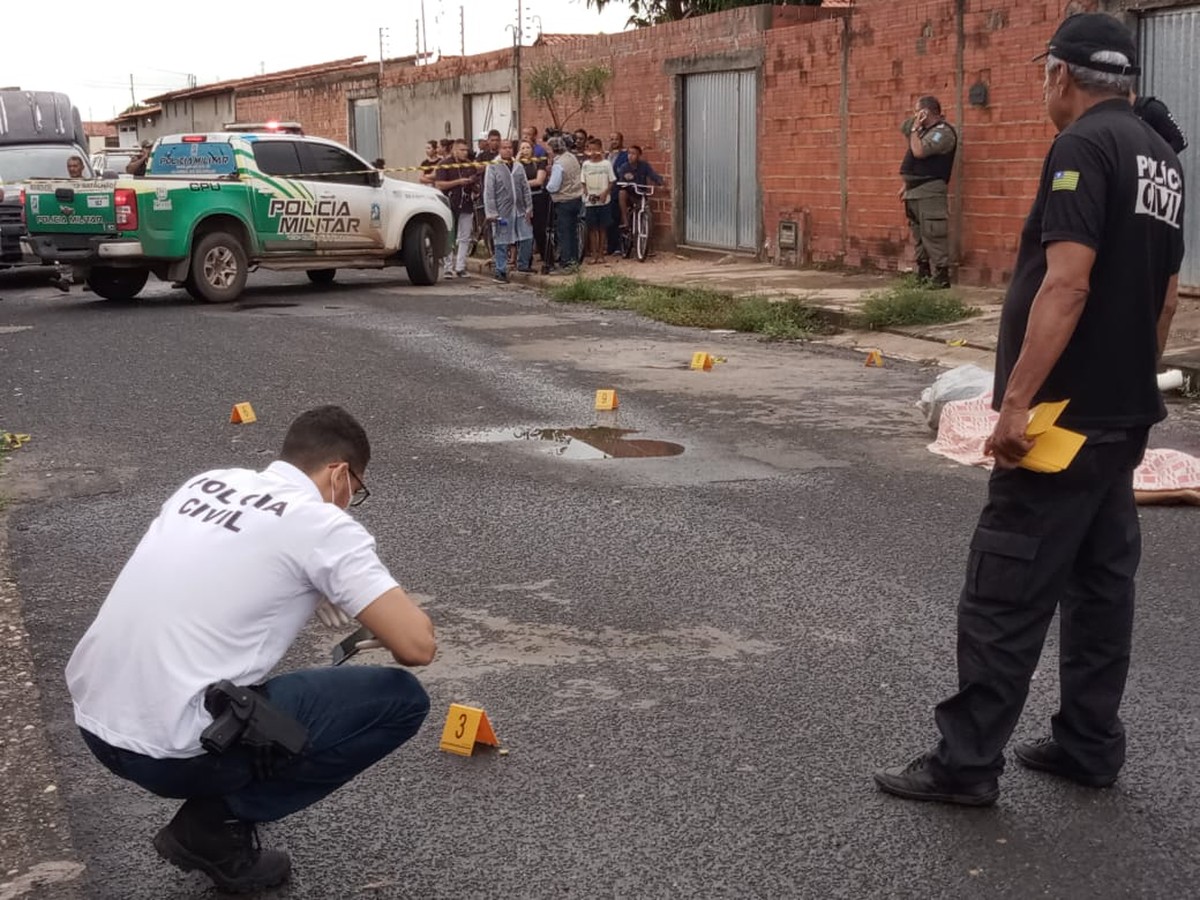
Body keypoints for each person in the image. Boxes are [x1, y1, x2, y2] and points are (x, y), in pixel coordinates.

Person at [875, 12, 1184, 808]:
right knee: (1100, 586)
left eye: (1045, 72)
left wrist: (1014, 402)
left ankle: (965, 763)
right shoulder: (1161, 157)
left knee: (1005, 588)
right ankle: (1089, 744)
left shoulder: (1083, 146)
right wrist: (1138, 382)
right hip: (1122, 415)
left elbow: (1068, 282)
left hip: (1063, 422)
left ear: (1062, 74)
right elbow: (1162, 298)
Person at [65, 406, 437, 891]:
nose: (349, 503)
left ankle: (217, 809)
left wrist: (317, 581)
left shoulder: (206, 483)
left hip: (95, 725)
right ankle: (213, 826)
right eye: (356, 492)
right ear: (340, 473)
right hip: (171, 750)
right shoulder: (323, 525)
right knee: (400, 700)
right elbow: (417, 645)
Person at [898, 96, 958, 288]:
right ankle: (923, 273)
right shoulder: (923, 131)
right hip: (914, 191)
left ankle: (941, 275)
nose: (915, 116)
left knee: (933, 233)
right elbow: (903, 128)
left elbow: (919, 152)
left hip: (930, 191)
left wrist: (916, 127)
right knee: (919, 235)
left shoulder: (942, 133)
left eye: (918, 111)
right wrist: (906, 185)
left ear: (927, 112)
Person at [483, 139, 533, 284]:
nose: (508, 150)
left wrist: (529, 208)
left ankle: (523, 264)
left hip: (520, 210)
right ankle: (500, 270)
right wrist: (491, 212)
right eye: (504, 148)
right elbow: (489, 191)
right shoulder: (493, 167)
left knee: (527, 237)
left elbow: (525, 188)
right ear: (499, 150)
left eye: (510, 148)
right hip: (502, 211)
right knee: (501, 241)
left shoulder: (518, 166)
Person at [435, 139, 480, 278]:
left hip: (466, 203)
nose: (465, 152)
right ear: (454, 150)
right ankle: (448, 267)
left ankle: (461, 266)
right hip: (449, 203)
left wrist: (474, 187)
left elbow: (476, 183)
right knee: (450, 235)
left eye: (466, 150)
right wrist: (458, 182)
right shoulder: (444, 164)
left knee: (465, 236)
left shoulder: (470, 165)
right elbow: (440, 184)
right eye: (462, 150)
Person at [546, 135, 583, 271]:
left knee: (564, 232)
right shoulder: (571, 157)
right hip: (576, 197)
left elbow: (554, 186)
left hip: (564, 199)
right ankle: (574, 259)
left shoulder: (559, 164)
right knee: (572, 231)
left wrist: (547, 186)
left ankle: (566, 261)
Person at [580, 137, 616, 265]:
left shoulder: (606, 164)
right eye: (590, 150)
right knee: (592, 229)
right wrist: (586, 193)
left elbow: (612, 180)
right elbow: (583, 181)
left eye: (595, 150)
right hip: (591, 201)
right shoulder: (586, 165)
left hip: (604, 200)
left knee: (602, 228)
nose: (593, 152)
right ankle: (594, 254)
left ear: (600, 150)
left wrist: (605, 193)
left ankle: (601, 254)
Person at [617, 145, 664, 233]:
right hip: (629, 194)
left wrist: (660, 182)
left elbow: (652, 174)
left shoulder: (644, 166)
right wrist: (625, 178)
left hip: (640, 193)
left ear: (639, 156)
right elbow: (621, 179)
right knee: (622, 193)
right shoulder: (624, 167)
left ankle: (646, 228)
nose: (630, 156)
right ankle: (625, 220)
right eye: (629, 153)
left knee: (646, 208)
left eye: (633, 154)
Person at [518, 138, 549, 273]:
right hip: (522, 200)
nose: (525, 151)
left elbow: (539, 180)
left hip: (538, 197)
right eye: (522, 148)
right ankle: (525, 261)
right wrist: (517, 161)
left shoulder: (539, 161)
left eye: (527, 148)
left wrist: (523, 184)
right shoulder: (517, 164)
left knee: (539, 230)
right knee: (524, 231)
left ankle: (547, 258)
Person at [605, 132, 629, 255]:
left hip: (619, 189)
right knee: (609, 219)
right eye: (612, 139)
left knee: (617, 218)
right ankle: (610, 246)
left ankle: (619, 245)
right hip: (607, 190)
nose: (614, 141)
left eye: (616, 139)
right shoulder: (606, 155)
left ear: (621, 141)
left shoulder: (625, 155)